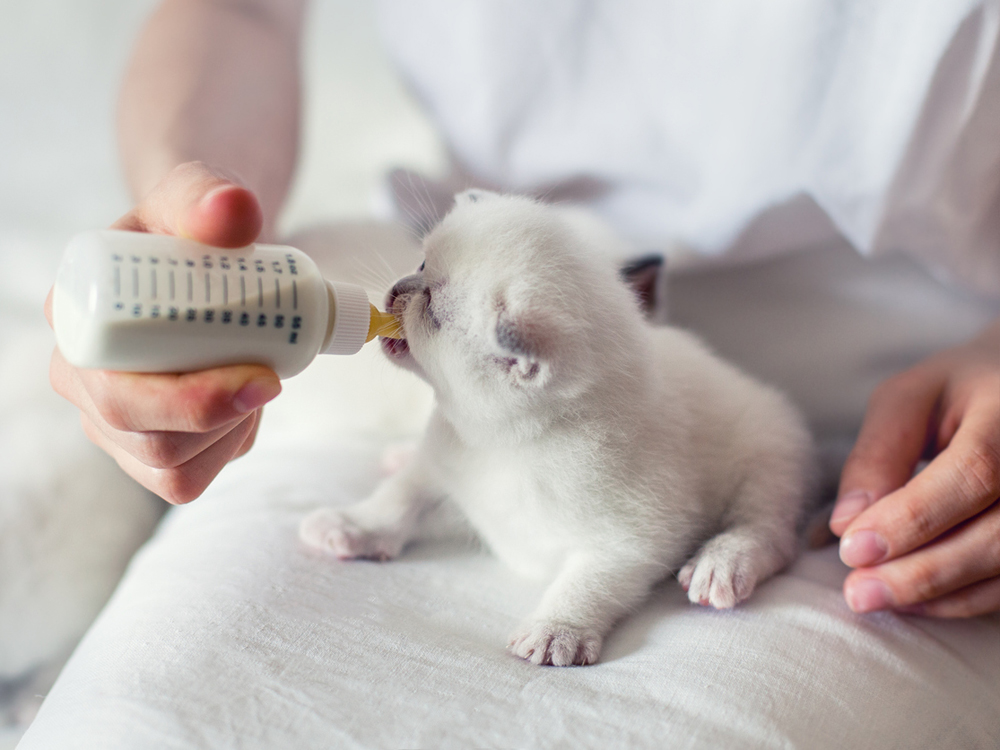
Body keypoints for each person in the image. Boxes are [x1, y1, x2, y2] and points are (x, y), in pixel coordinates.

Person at [45, 0, 999, 619]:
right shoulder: (479, 361)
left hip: (914, 433)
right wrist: (190, 216)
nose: (396, 304)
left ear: (520, 361)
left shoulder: (585, 416)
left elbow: (628, 538)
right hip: (517, 276)